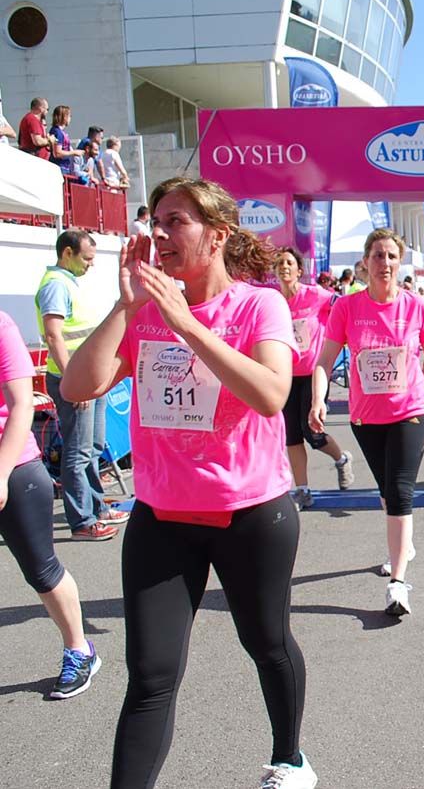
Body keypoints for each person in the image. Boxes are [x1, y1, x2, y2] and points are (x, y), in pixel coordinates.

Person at [61, 177, 319, 788]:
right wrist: (128, 305)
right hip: (163, 518)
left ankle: (290, 758)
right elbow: (76, 387)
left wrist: (188, 324)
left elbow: (271, 394)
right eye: (157, 221)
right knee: (150, 676)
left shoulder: (260, 305)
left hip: (251, 514)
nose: (161, 233)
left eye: (177, 221)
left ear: (218, 235)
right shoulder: (146, 310)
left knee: (267, 642)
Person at [311, 229, 424, 614]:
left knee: (401, 491)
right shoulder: (346, 308)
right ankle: (401, 546)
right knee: (388, 492)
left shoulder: (416, 305)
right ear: (365, 262)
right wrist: (317, 399)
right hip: (365, 417)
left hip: (411, 412)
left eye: (391, 256)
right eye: (377, 255)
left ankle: (398, 584)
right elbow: (324, 360)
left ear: (400, 262)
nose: (384, 263)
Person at [0, 308, 100, 699]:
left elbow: (23, 403)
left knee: (41, 570)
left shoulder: (3, 325)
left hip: (16, 467)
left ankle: (80, 649)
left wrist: (2, 471)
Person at [35, 229, 127, 541]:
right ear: (68, 253)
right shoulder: (56, 286)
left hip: (88, 377)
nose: (91, 265)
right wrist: (73, 379)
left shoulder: (69, 283)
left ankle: (97, 507)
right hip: (73, 380)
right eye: (86, 259)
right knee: (77, 451)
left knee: (93, 447)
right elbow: (54, 336)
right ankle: (83, 521)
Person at [275, 247, 354, 507]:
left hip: (313, 374)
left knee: (313, 434)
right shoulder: (273, 300)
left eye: (289, 263)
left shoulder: (315, 295)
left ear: (299, 270)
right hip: (285, 375)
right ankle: (303, 489)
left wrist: (339, 339)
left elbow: (341, 309)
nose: (284, 267)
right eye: (279, 264)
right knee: (292, 435)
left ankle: (341, 459)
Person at [47, 105, 84, 179]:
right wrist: (74, 153)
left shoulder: (59, 131)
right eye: (69, 116)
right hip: (60, 167)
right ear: (64, 117)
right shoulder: (58, 132)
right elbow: (57, 153)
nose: (70, 118)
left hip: (64, 167)